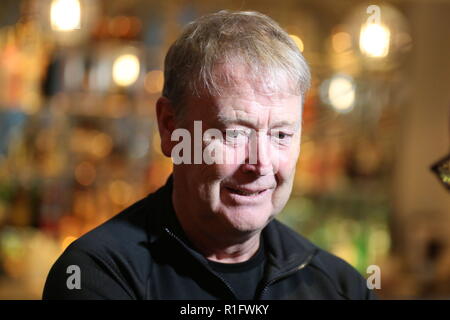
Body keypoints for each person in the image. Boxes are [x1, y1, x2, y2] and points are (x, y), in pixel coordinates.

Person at [43, 10, 376, 300]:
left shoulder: (342, 287)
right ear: (171, 128)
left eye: (281, 134)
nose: (260, 164)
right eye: (234, 133)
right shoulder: (95, 276)